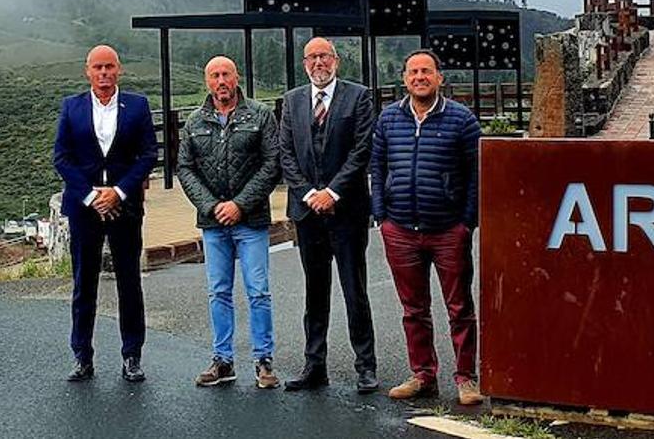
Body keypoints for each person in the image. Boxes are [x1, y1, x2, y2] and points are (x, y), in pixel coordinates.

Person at [370, 49, 483, 405]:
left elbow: (476, 175)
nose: (420, 77)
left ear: (439, 79)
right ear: (404, 79)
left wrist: (467, 223)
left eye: (426, 71)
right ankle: (422, 374)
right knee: (413, 309)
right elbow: (377, 167)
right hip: (400, 228)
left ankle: (466, 378)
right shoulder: (389, 119)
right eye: (413, 72)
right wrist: (381, 216)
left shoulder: (462, 120)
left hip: (448, 229)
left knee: (459, 307)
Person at [278, 37, 378, 393]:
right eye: (312, 57)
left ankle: (366, 366)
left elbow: (362, 148)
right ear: (304, 63)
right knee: (314, 292)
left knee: (355, 290)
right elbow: (285, 153)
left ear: (335, 60)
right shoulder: (292, 101)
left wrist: (332, 192)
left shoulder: (359, 96)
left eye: (324, 56)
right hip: (307, 213)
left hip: (346, 210)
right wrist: (309, 195)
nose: (318, 62)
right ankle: (314, 365)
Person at [53, 44, 157, 383]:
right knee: (85, 283)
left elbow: (147, 155)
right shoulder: (71, 108)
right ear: (87, 71)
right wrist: (90, 195)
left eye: (109, 67)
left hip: (124, 207)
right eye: (97, 67)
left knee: (130, 283)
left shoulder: (138, 106)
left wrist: (119, 192)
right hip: (85, 209)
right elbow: (62, 158)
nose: (103, 74)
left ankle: (132, 356)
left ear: (119, 70)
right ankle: (82, 356)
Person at [176, 56, 280, 389]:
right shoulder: (194, 121)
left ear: (236, 78)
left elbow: (271, 163)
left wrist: (240, 204)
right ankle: (223, 360)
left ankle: (263, 360)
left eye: (226, 75)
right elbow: (185, 168)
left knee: (258, 292)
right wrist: (211, 206)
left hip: (251, 220)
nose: (221, 81)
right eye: (214, 76)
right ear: (207, 81)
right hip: (213, 223)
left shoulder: (260, 115)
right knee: (218, 291)